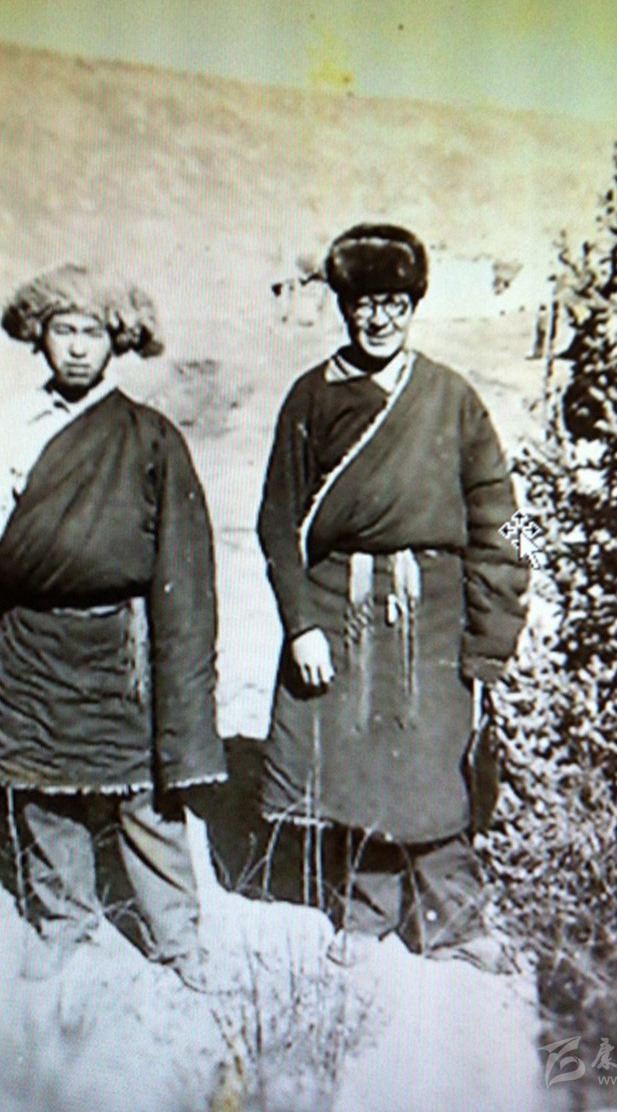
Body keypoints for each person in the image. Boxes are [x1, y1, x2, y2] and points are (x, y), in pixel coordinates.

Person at [257, 224, 529, 966]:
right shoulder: (311, 396)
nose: (378, 319)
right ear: (343, 308)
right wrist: (300, 624)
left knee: (436, 763)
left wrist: (506, 611)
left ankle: (457, 923)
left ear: (414, 307)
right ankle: (365, 913)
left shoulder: (452, 397)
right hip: (339, 603)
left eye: (394, 304)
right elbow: (276, 521)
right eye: (363, 304)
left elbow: (506, 512)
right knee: (356, 759)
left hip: (434, 607)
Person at [0, 263, 226, 986]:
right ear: (39, 336)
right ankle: (63, 922)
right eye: (63, 330)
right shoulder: (11, 428)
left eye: (93, 333)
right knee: (42, 789)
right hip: (33, 640)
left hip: (118, 644)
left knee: (144, 796)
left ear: (119, 342)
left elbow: (183, 560)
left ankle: (179, 940)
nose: (77, 347)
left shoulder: (149, 436)